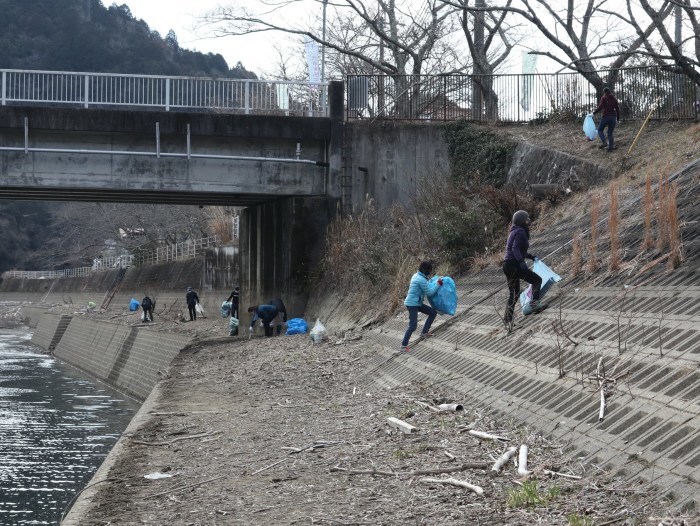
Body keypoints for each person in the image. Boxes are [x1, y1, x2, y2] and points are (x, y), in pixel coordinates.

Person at [502, 210, 542, 325]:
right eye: (526, 219)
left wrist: (530, 256)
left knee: (514, 294)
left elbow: (518, 250)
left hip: (507, 265)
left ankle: (507, 321)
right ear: (521, 221)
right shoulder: (520, 232)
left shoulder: (514, 231)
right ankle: (534, 304)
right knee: (537, 280)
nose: (528, 221)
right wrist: (522, 263)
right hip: (514, 265)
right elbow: (515, 249)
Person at [400, 261, 443, 352]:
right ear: (424, 270)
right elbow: (430, 292)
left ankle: (424, 332)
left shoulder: (417, 276)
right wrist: (438, 284)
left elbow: (427, 285)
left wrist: (436, 281)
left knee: (432, 312)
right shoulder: (420, 279)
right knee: (413, 326)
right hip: (413, 304)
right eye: (429, 271)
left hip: (416, 303)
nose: (430, 273)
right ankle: (403, 346)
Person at [593, 87, 620, 152]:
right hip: (613, 117)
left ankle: (604, 142)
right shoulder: (614, 99)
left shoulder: (604, 98)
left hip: (606, 117)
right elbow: (617, 109)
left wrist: (594, 113)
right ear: (610, 92)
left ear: (604, 92)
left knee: (600, 130)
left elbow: (600, 107)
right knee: (610, 133)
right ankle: (610, 148)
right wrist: (618, 118)